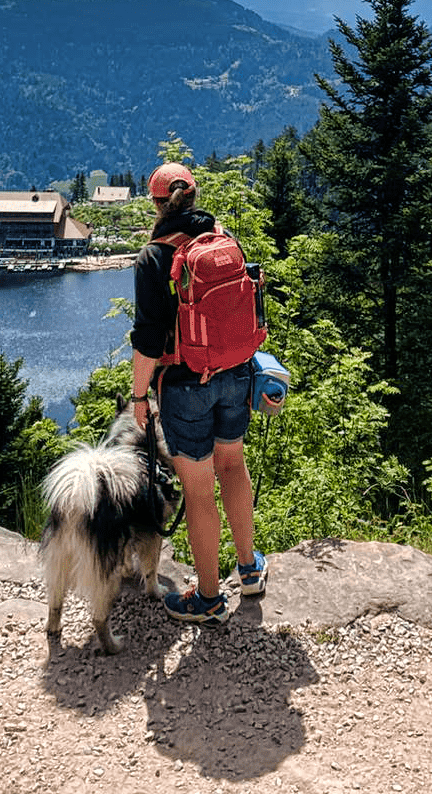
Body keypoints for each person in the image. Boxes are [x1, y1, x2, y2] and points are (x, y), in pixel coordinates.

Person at [129, 160, 267, 625]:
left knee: (199, 489)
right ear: (196, 195)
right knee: (234, 464)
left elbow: (148, 340)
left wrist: (138, 396)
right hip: (236, 371)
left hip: (186, 384)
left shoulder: (154, 257)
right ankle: (249, 570)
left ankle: (208, 597)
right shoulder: (224, 240)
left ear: (156, 203)